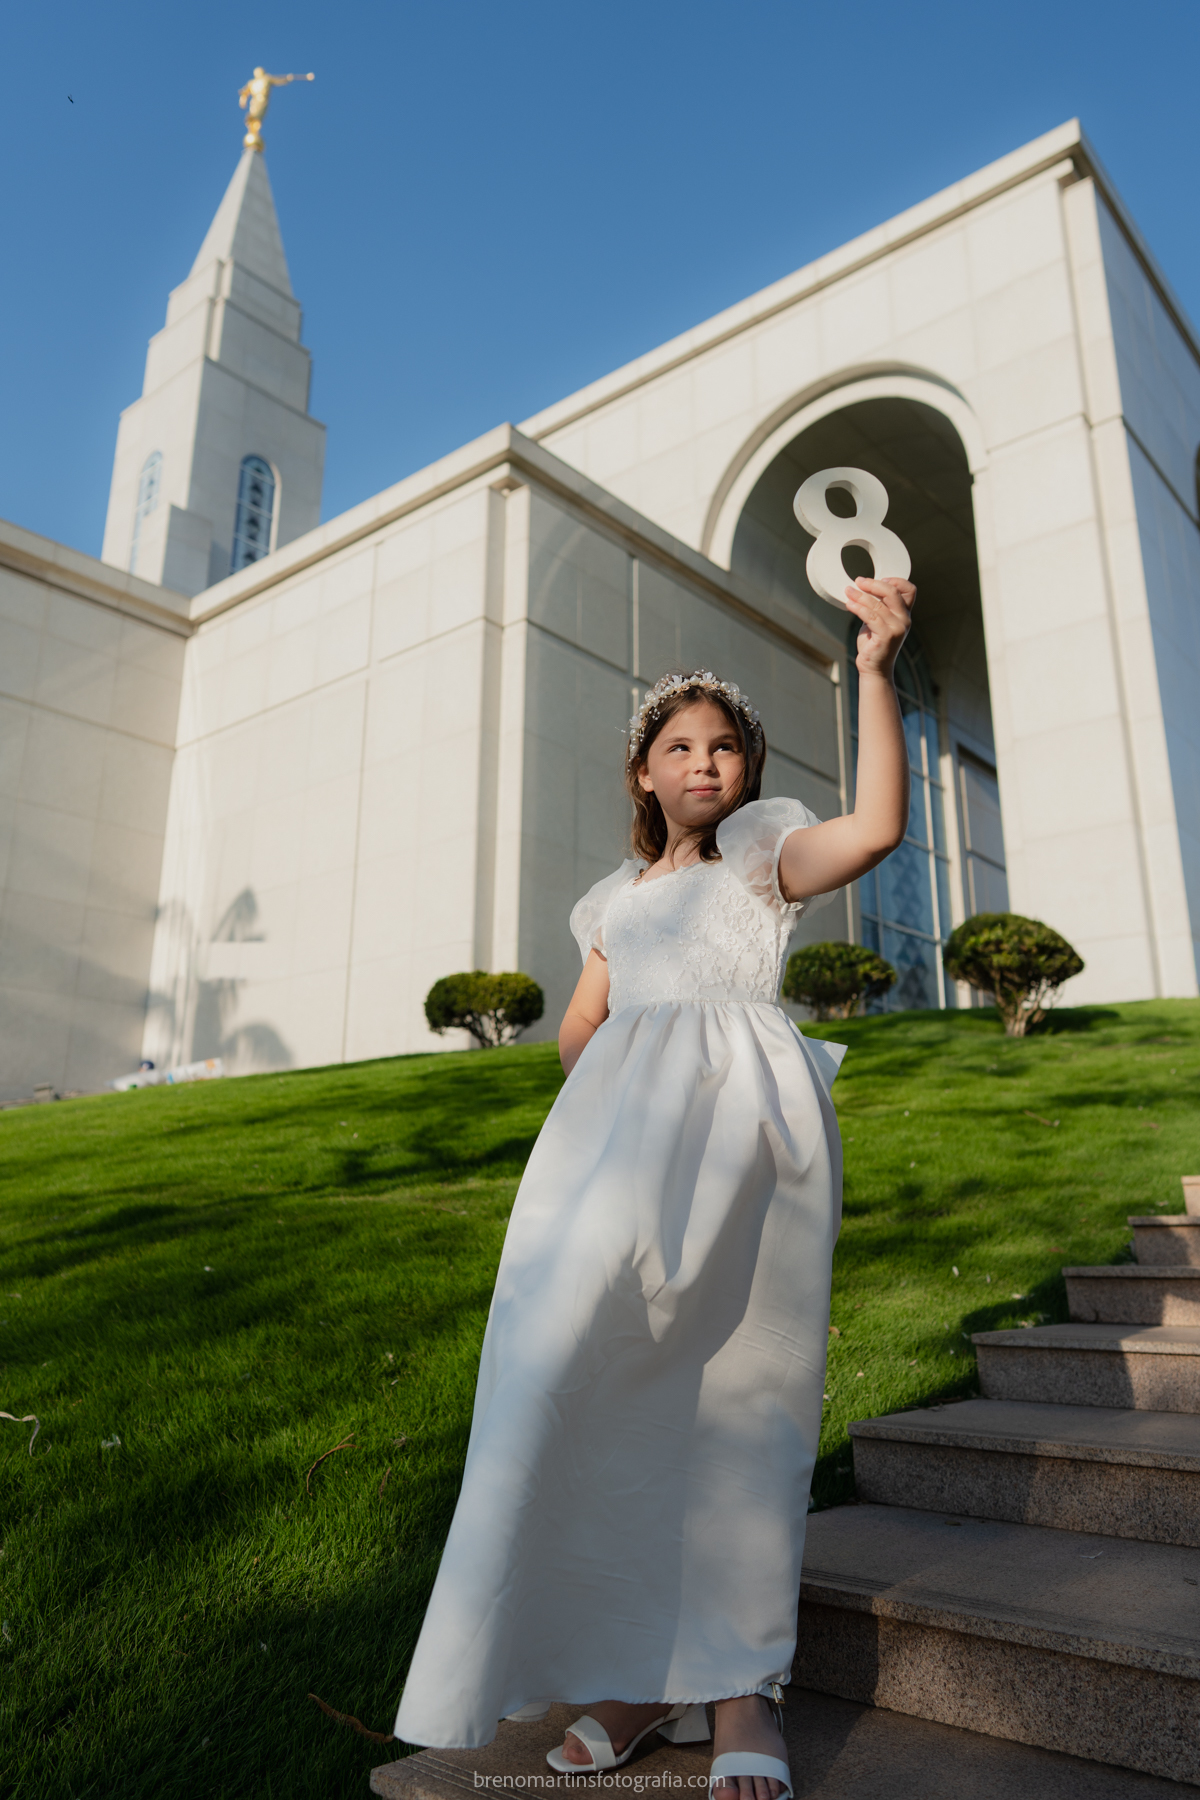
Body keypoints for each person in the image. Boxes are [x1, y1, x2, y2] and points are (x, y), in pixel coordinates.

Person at [394, 574, 916, 1799]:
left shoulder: (758, 865)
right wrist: (623, 1094)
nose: (704, 762)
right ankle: (638, 1671)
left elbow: (879, 829)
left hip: (747, 1149)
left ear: (747, 771)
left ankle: (739, 1690)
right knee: (584, 1383)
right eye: (678, 745)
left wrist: (879, 670)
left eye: (724, 745)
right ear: (642, 771)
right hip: (611, 1168)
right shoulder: (611, 905)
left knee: (740, 1388)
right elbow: (583, 1027)